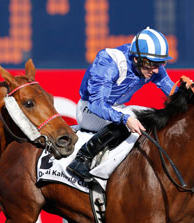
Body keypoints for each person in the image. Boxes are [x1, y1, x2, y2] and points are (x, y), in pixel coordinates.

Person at [67, 27, 176, 181]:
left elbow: (171, 90)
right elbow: (96, 104)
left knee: (151, 115)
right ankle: (82, 159)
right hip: (89, 110)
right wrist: (124, 119)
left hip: (115, 107)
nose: (157, 70)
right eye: (152, 64)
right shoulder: (109, 62)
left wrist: (190, 94)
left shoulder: (149, 64)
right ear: (137, 59)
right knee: (130, 116)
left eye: (161, 63)